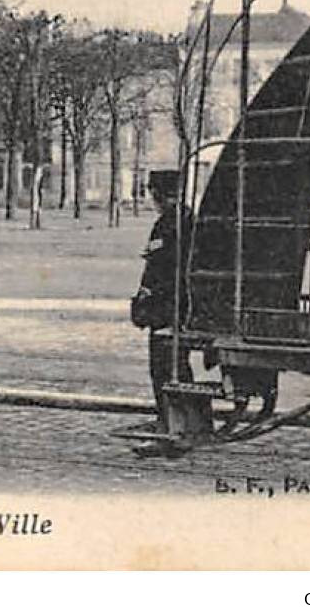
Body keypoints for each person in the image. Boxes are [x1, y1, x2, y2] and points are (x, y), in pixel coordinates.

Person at [132, 169, 191, 429]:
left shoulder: (169, 223)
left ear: (158, 193)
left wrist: (147, 295)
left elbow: (161, 266)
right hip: (181, 304)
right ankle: (184, 421)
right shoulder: (188, 218)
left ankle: (170, 422)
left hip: (166, 306)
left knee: (164, 368)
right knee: (178, 365)